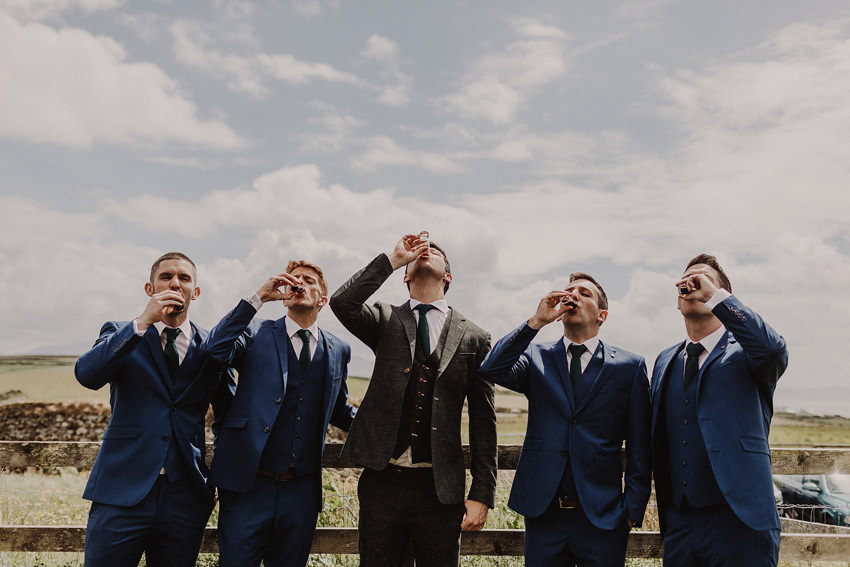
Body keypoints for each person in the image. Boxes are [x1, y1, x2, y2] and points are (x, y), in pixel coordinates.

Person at [329, 234, 497, 567]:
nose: (425, 252)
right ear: (405, 275)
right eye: (418, 253)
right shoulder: (385, 318)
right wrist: (391, 260)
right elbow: (342, 302)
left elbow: (483, 421)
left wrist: (482, 493)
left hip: (440, 489)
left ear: (447, 276)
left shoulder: (475, 336)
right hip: (382, 482)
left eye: (434, 252)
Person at [480, 272, 652, 567]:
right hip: (544, 513)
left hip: (604, 516)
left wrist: (632, 511)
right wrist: (536, 322)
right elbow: (492, 368)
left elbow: (640, 445)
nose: (573, 295)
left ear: (602, 315)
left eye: (584, 293)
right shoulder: (536, 355)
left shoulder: (629, 366)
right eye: (569, 290)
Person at [75, 252, 234, 567]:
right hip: (120, 490)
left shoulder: (212, 346)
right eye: (166, 276)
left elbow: (228, 418)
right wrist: (142, 322)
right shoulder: (121, 332)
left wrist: (216, 476)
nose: (175, 282)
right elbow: (88, 375)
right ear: (150, 288)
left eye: (184, 278)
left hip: (185, 496)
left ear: (195, 292)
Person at [199, 260, 357, 567]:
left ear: (322, 299)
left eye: (309, 280)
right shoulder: (255, 331)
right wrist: (258, 297)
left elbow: (341, 411)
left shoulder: (338, 349)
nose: (299, 284)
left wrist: (388, 432)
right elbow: (213, 350)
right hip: (248, 485)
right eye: (293, 280)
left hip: (301, 492)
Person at [650, 254, 788, 567]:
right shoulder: (664, 360)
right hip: (680, 525)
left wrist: (716, 296)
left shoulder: (749, 352)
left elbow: (774, 350)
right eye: (686, 280)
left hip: (741, 522)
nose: (692, 284)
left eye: (703, 279)